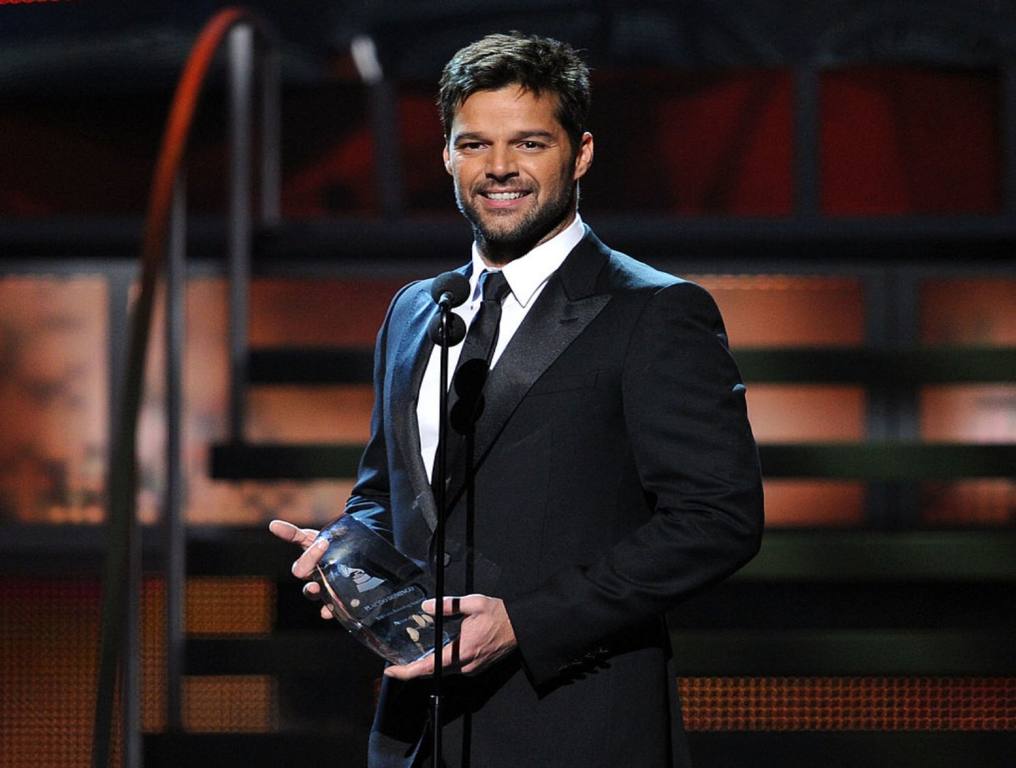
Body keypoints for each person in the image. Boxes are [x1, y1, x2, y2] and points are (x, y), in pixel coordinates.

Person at [270, 31, 763, 768]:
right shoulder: (415, 309)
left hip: (574, 726)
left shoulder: (654, 311)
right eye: (474, 145)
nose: (499, 168)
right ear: (446, 156)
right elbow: (387, 490)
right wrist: (348, 557)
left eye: (529, 143)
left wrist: (524, 624)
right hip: (418, 734)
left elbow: (718, 518)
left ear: (582, 152)